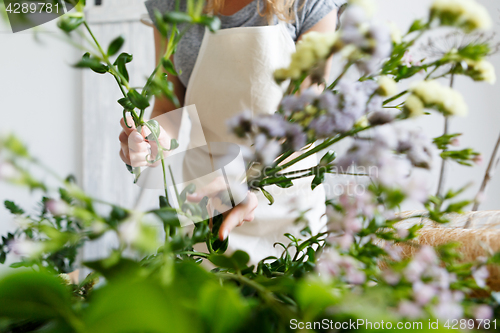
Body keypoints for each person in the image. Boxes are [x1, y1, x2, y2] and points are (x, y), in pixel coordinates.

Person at [119, 0, 345, 263]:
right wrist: (149, 140)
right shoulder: (171, 4)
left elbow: (299, 119)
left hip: (283, 206)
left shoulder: (310, 4)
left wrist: (241, 183)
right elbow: (168, 108)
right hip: (207, 200)